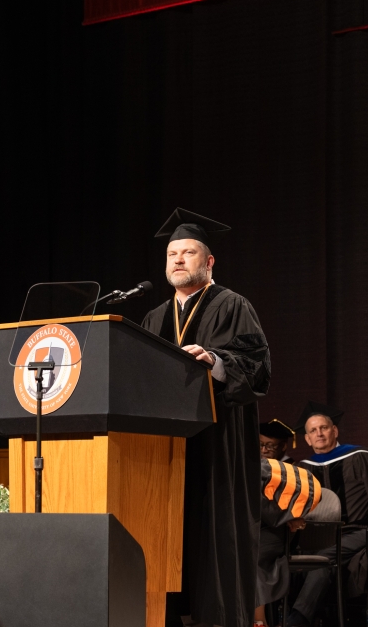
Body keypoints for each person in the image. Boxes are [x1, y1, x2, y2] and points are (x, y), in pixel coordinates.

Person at [140, 208, 271, 627]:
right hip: (164, 453)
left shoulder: (233, 306)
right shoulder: (153, 318)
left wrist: (215, 359)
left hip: (218, 449)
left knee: (215, 542)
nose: (178, 259)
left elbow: (258, 367)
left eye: (188, 252)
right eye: (172, 253)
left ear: (208, 262)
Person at [286, 402, 368, 627]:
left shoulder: (362, 457)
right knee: (312, 561)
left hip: (361, 531)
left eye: (323, 428)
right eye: (313, 431)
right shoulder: (301, 469)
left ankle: (296, 620)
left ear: (335, 431)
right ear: (306, 439)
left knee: (323, 558)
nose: (319, 433)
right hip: (315, 536)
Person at [257, 457, 324, 627]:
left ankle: (258, 621)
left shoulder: (266, 469)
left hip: (274, 535)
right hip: (255, 530)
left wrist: (289, 515)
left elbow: (305, 492)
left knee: (255, 559)